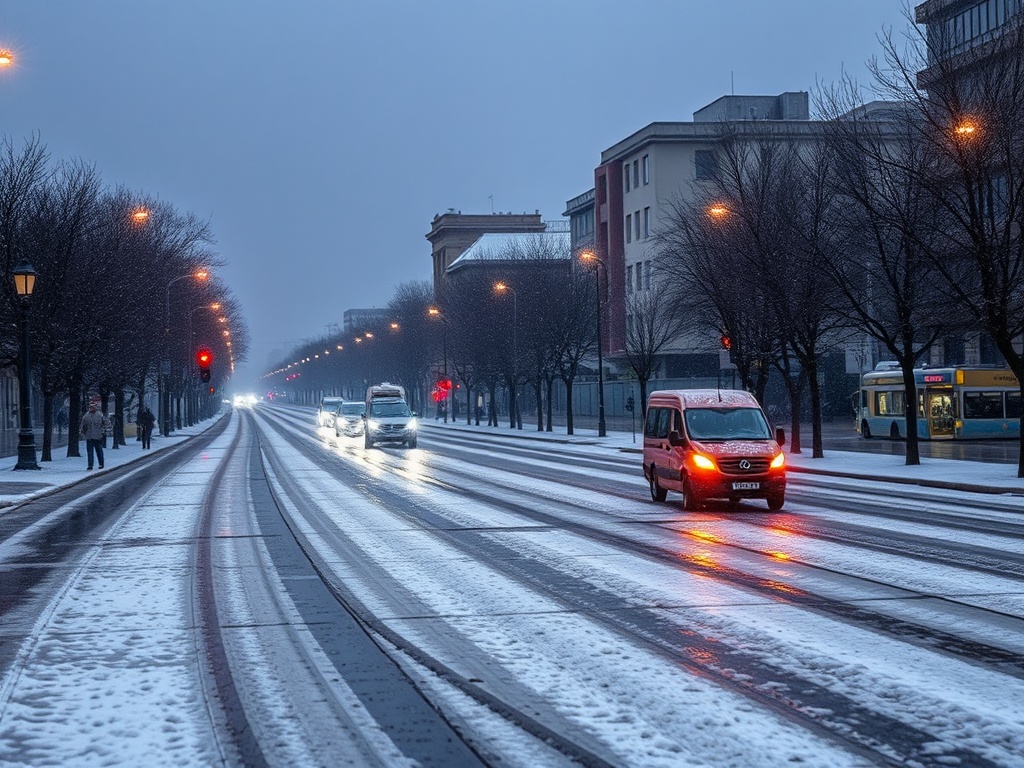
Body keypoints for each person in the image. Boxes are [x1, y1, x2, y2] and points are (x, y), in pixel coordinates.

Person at [80, 402, 111, 470]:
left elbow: (106, 423)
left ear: (96, 408)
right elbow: (83, 425)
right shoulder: (86, 415)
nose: (91, 408)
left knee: (98, 450)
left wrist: (103, 430)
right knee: (90, 452)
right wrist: (83, 432)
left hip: (98, 436)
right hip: (89, 436)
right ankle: (90, 465)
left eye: (93, 407)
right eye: (90, 407)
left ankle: (101, 463)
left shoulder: (99, 415)